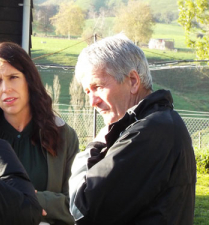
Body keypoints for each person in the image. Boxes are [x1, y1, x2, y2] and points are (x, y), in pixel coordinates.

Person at [69, 33, 196, 225]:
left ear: (134, 81)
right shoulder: (160, 123)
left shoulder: (149, 132)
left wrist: (93, 147)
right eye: (88, 92)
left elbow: (82, 208)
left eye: (98, 87)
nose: (92, 101)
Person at [0, 42, 79, 225]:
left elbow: (77, 204)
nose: (6, 89)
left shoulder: (64, 135)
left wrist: (33, 199)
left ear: (29, 80)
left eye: (13, 77)